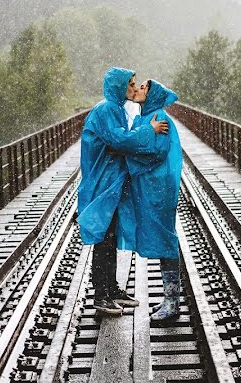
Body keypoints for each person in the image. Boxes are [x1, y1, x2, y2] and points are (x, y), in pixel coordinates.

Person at [78, 67, 169, 315]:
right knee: (103, 238)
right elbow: (120, 140)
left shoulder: (114, 109)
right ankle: (101, 295)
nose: (133, 88)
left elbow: (122, 138)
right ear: (119, 87)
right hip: (101, 183)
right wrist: (149, 130)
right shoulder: (107, 109)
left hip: (110, 181)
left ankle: (111, 288)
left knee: (111, 235)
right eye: (130, 84)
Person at [127, 79, 183, 321]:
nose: (137, 89)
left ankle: (172, 302)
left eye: (143, 87)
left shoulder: (159, 117)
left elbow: (157, 152)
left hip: (159, 187)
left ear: (151, 95)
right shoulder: (147, 116)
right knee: (163, 238)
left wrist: (129, 158)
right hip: (152, 186)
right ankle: (169, 299)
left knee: (166, 238)